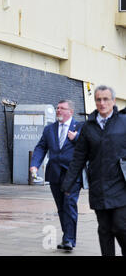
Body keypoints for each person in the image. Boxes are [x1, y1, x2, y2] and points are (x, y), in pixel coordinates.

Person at [62, 85, 126, 256]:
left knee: (121, 226)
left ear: (113, 101)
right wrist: (68, 184)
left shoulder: (123, 122)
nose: (102, 103)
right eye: (98, 99)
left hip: (121, 185)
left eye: (106, 99)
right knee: (104, 229)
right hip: (99, 185)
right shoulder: (88, 127)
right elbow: (79, 157)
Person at [29, 100, 82, 251]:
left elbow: (90, 146)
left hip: (72, 175)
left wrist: (76, 138)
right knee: (61, 207)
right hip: (55, 174)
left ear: (70, 112)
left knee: (69, 204)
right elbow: (41, 147)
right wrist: (35, 165)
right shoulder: (49, 129)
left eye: (62, 108)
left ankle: (69, 240)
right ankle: (67, 236)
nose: (58, 110)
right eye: (57, 108)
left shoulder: (79, 127)